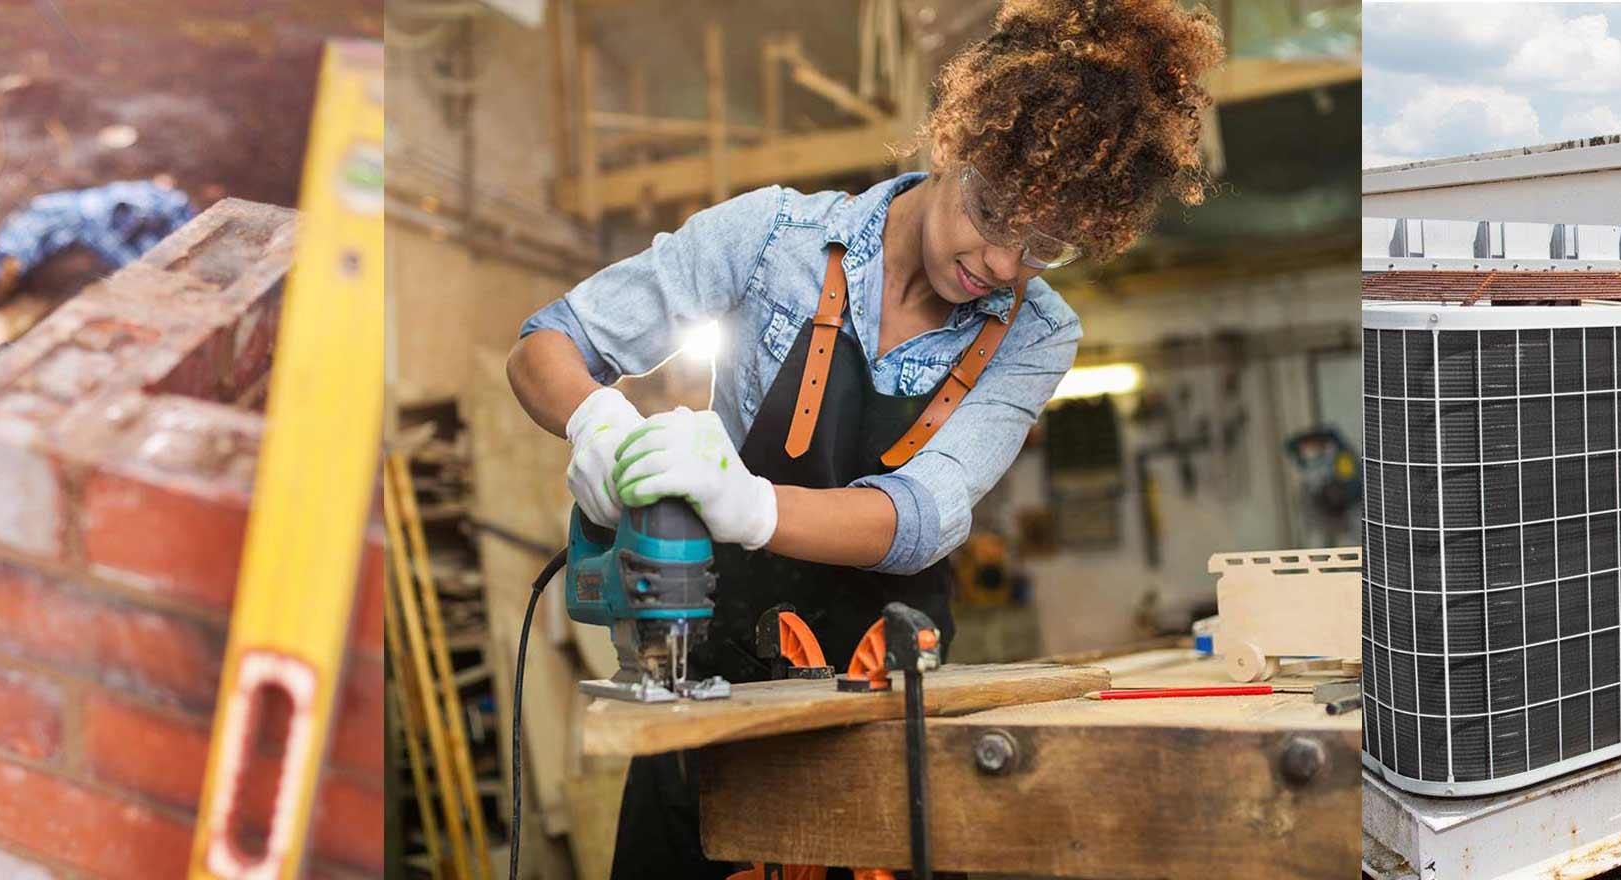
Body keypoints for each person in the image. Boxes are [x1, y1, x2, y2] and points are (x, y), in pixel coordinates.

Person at [505, 0, 1224, 874]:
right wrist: (595, 418)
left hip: (891, 695)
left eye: (1047, 245)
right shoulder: (774, 237)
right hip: (713, 675)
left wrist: (751, 505)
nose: (1003, 263)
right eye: (994, 211)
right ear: (952, 142)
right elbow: (551, 340)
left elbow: (928, 512)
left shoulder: (1038, 332)